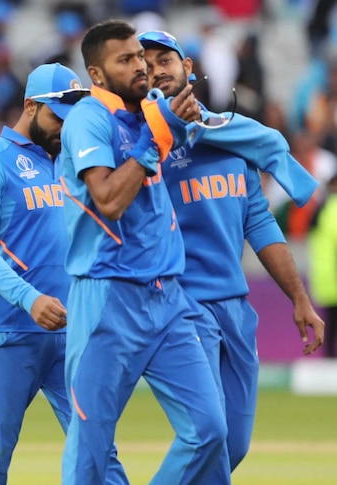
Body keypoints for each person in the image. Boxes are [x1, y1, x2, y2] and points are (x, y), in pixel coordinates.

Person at [139, 29, 326, 471]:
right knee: (208, 436)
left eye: (164, 60)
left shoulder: (231, 138)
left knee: (232, 447)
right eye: (144, 63)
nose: (155, 69)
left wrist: (300, 299)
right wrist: (159, 133)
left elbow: (258, 225)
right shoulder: (143, 144)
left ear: (187, 68)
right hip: (179, 304)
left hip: (235, 307)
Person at [58, 20, 228, 484]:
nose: (141, 67)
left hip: (167, 298)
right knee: (91, 444)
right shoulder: (88, 119)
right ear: (96, 73)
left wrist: (173, 124)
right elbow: (109, 201)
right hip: (108, 297)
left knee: (210, 431)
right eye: (126, 60)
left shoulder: (147, 113)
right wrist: (158, 136)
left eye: (140, 57)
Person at [0, 63, 129, 484]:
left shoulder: (76, 162)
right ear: (31, 106)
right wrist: (29, 298)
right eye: (57, 117)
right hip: (10, 330)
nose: (64, 128)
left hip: (74, 333)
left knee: (99, 452)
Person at [309, 175, 337, 358]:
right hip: (331, 276)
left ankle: (328, 362)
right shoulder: (331, 208)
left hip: (326, 278)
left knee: (330, 323)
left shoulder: (323, 209)